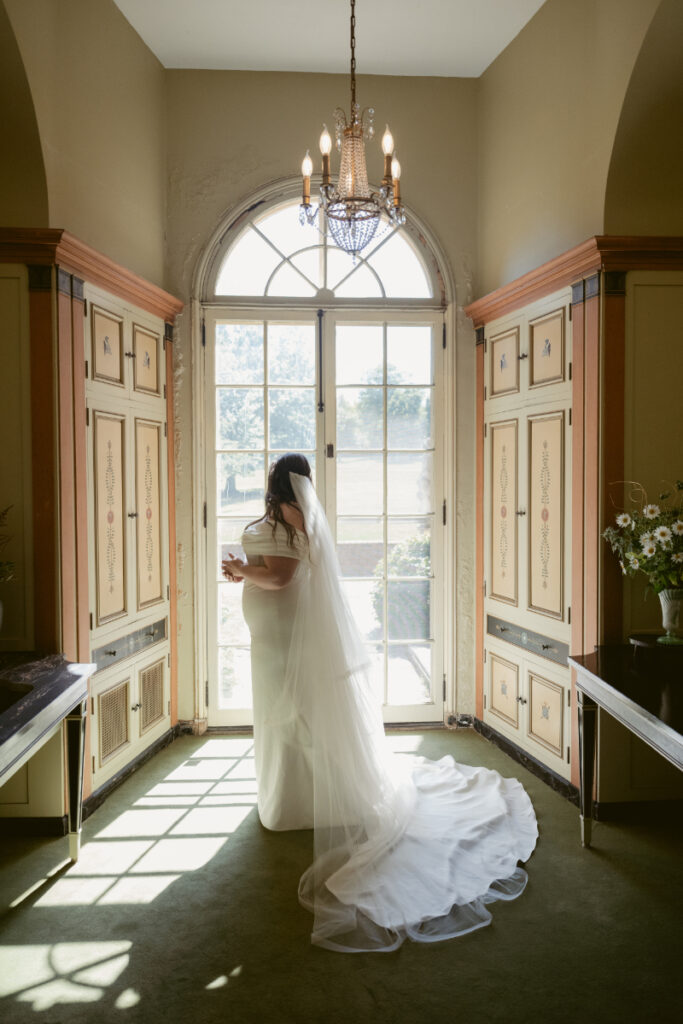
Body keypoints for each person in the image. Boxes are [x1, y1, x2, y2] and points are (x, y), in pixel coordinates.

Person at [223, 453, 538, 953]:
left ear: (278, 480)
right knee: (283, 712)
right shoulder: (291, 514)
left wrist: (245, 568)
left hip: (285, 636)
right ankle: (288, 794)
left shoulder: (291, 515)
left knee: (291, 711)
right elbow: (280, 570)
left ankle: (298, 800)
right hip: (274, 633)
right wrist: (245, 573)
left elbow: (282, 577)